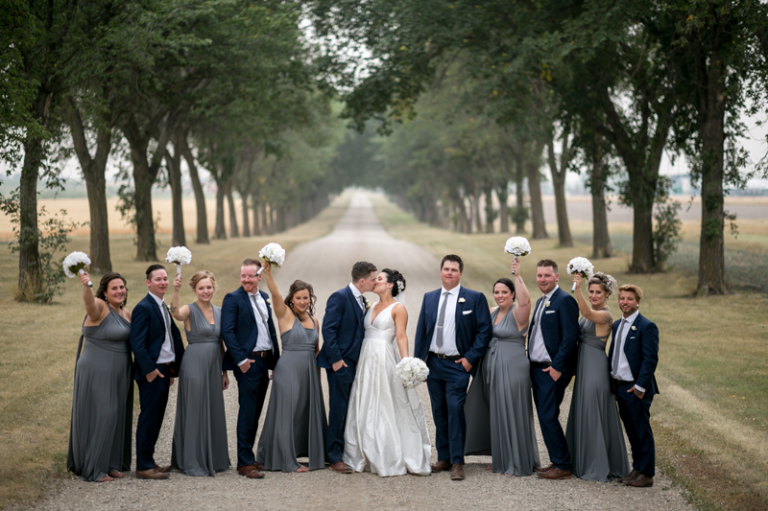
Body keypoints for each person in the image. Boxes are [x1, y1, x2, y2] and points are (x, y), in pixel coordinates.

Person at [343, 269, 431, 476]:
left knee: (386, 402)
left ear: (390, 285)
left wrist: (406, 363)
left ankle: (388, 453)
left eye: (380, 279)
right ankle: (363, 449)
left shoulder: (398, 308)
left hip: (384, 359)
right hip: (366, 358)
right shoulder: (370, 305)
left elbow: (401, 337)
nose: (375, 281)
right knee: (365, 401)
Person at [414, 254, 493, 481]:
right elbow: (422, 331)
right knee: (439, 412)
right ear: (441, 271)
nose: (449, 273)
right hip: (434, 363)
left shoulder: (474, 298)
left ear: (460, 273)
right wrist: (420, 364)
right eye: (446, 269)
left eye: (454, 270)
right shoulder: (429, 298)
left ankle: (458, 461)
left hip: (458, 364)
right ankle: (444, 457)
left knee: (456, 410)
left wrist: (470, 359)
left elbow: (484, 332)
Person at [464, 259, 540, 476]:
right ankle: (501, 457)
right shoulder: (492, 311)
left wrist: (517, 275)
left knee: (512, 410)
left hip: (512, 368)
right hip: (492, 368)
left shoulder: (518, 313)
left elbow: (527, 302)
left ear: (513, 294)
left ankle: (516, 460)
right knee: (496, 411)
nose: (500, 295)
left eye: (505, 292)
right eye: (496, 291)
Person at [256, 264, 327, 472]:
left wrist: (317, 377)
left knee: (303, 413)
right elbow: (276, 295)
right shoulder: (285, 315)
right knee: (287, 413)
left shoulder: (315, 321)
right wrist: (268, 273)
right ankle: (287, 461)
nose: (303, 302)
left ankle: (296, 452)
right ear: (292, 299)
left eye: (306, 298)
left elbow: (316, 351)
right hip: (288, 371)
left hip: (309, 373)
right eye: (298, 298)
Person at [67, 271, 133, 482]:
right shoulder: (100, 307)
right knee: (105, 413)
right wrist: (86, 285)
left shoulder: (126, 313)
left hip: (120, 370)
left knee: (117, 414)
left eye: (122, 287)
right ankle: (94, 468)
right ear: (104, 293)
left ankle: (111, 464)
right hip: (97, 368)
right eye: (114, 288)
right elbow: (89, 304)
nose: (119, 291)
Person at [565, 272, 630, 482]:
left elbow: (584, 310)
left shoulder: (605, 315)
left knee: (594, 412)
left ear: (607, 294)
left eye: (597, 292)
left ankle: (597, 463)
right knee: (584, 409)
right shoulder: (590, 312)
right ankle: (580, 460)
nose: (593, 295)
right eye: (591, 291)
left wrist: (578, 287)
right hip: (583, 366)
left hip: (595, 367)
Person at [221, 259, 280, 479]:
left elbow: (269, 330)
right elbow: (227, 332)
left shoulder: (264, 298)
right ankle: (244, 463)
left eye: (250, 276)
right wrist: (241, 361)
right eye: (243, 275)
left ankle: (248, 456)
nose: (246, 279)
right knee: (247, 412)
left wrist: (275, 362)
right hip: (249, 364)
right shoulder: (233, 299)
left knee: (255, 413)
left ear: (259, 277)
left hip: (265, 362)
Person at [318, 261, 378, 474]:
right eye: (373, 279)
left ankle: (345, 450)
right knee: (339, 408)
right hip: (341, 363)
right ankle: (334, 456)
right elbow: (329, 328)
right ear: (362, 281)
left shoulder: (361, 298)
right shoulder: (340, 297)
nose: (375, 281)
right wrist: (336, 360)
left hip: (355, 362)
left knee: (351, 407)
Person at [170, 270, 231, 476]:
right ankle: (193, 460)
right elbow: (175, 313)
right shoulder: (189, 309)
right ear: (195, 290)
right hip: (194, 363)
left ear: (213, 288)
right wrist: (175, 291)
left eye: (209, 287)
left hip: (214, 365)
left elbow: (221, 343)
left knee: (212, 408)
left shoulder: (220, 311)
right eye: (201, 288)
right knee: (196, 409)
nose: (206, 291)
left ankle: (213, 457)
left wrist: (224, 372)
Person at [130, 264, 185, 480]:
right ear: (148, 283)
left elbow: (167, 339)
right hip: (152, 372)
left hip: (163, 370)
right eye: (158, 279)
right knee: (148, 419)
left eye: (165, 279)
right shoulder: (144, 307)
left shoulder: (161, 305)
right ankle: (143, 466)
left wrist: (170, 369)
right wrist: (151, 371)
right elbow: (137, 343)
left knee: (157, 418)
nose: (163, 282)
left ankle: (150, 461)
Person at [527, 259, 579, 480]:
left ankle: (563, 465)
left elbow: (570, 337)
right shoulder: (541, 301)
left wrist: (557, 367)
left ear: (557, 277)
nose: (542, 280)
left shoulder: (565, 300)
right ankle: (557, 460)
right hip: (537, 370)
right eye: (539, 276)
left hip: (552, 371)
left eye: (547, 276)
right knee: (545, 415)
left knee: (548, 416)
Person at [609, 284, 660, 488]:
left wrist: (640, 387)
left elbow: (650, 360)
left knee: (642, 431)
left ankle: (647, 474)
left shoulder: (646, 326)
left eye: (629, 299)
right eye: (622, 298)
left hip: (636, 389)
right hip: (621, 387)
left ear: (637, 302)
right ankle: (637, 469)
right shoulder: (617, 324)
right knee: (631, 431)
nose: (624, 302)